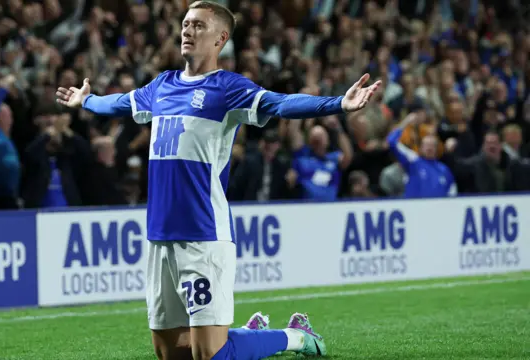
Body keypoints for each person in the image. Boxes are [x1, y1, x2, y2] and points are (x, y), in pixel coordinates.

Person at [55, 2, 380, 359]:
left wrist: (337, 104)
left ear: (220, 39)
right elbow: (118, 104)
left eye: (198, 25)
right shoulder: (162, 85)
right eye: (185, 24)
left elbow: (281, 104)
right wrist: (86, 101)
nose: (188, 31)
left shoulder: (227, 89)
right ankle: (244, 333)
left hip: (203, 234)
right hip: (159, 236)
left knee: (210, 356)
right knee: (171, 354)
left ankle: (294, 336)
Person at [386, 113, 457, 198]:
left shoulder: (444, 169)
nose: (429, 148)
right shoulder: (413, 160)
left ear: (437, 148)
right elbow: (391, 141)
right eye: (427, 145)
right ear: (421, 147)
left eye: (432, 145)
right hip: (414, 208)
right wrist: (406, 122)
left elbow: (453, 194)